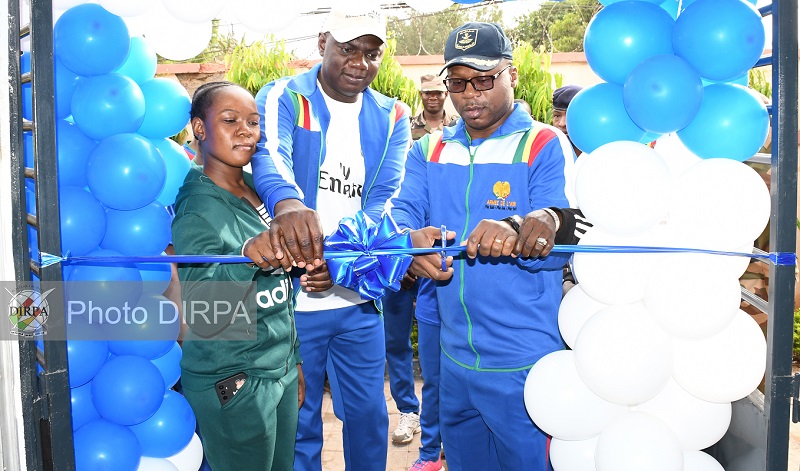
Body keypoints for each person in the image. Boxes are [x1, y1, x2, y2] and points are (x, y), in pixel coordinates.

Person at [385, 22, 576, 470]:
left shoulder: (545, 143)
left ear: (510, 74)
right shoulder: (429, 148)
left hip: (524, 362)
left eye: (484, 79)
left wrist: (524, 226)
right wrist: (407, 241)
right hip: (453, 360)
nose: (471, 94)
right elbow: (401, 211)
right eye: (458, 82)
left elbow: (569, 231)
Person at [248, 7, 411, 471]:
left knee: (368, 416)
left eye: (371, 53)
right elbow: (270, 159)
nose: (359, 63)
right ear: (323, 43)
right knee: (298, 422)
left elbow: (386, 198)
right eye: (347, 49)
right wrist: (290, 207)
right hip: (290, 301)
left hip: (356, 298)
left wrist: (336, 260)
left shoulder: (394, 114)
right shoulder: (284, 95)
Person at [171, 81, 308, 471]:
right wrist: (245, 258)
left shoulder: (255, 189)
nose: (246, 130)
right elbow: (204, 312)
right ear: (199, 128)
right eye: (230, 120)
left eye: (253, 121)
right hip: (235, 380)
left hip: (275, 370)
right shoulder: (197, 206)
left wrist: (292, 362)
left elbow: (280, 290)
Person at [410, 74, 459, 141]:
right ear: (421, 94)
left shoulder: (457, 124)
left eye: (438, 93)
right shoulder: (409, 125)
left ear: (446, 94)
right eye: (427, 93)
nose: (433, 98)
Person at [551, 84, 583, 157]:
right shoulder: (546, 154)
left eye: (570, 116)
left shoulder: (598, 155)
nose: (562, 123)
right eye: (557, 115)